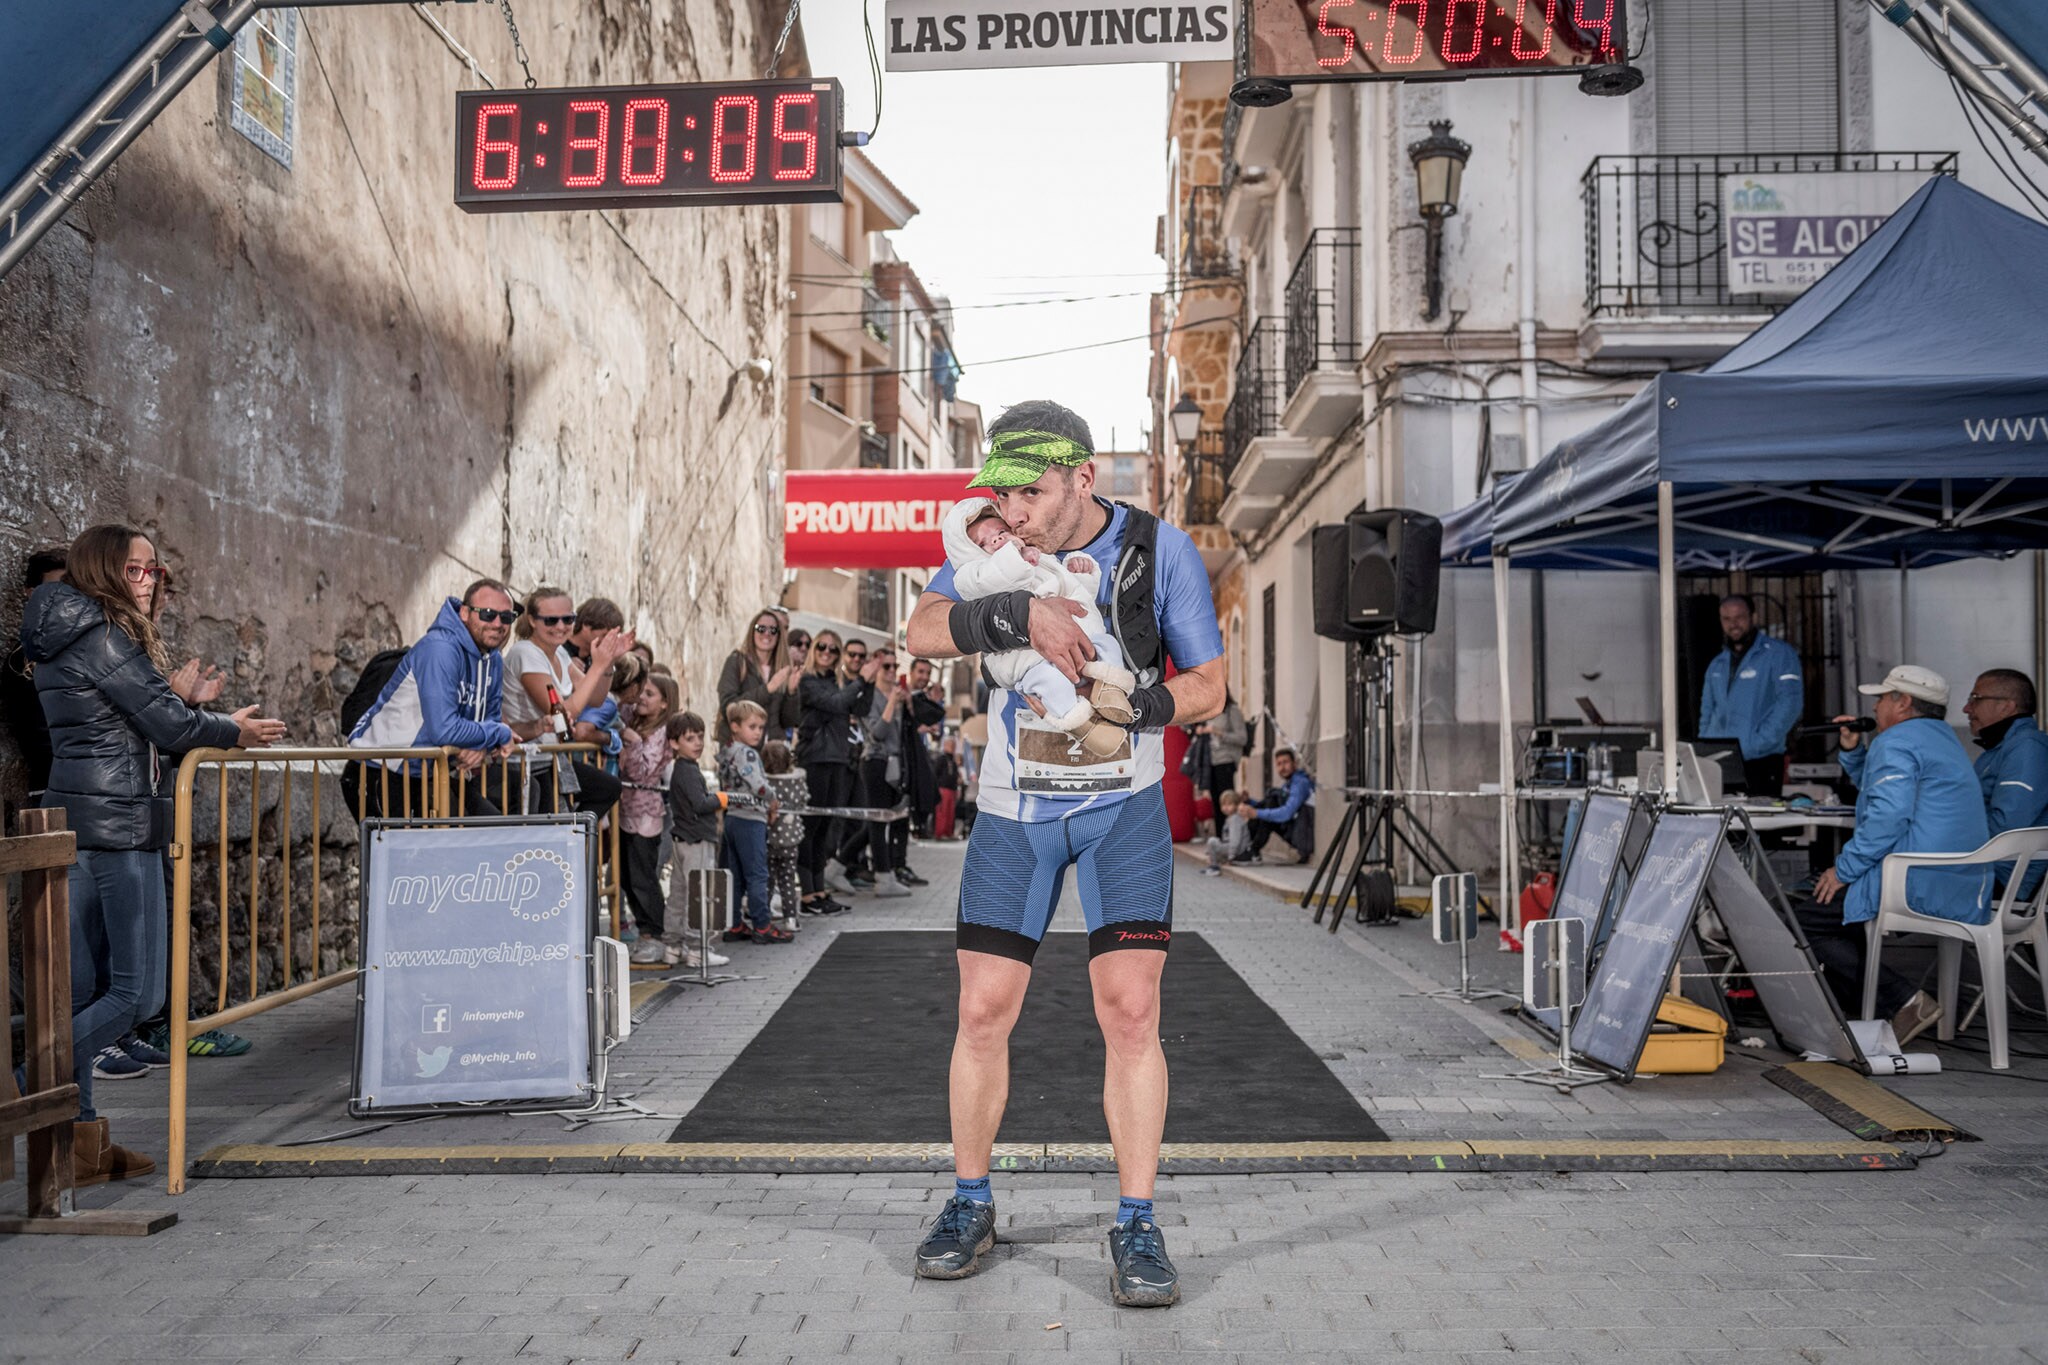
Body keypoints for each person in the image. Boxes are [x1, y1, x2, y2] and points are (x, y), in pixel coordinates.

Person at [904, 401, 1225, 1308]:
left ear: (1084, 476)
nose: (1015, 511)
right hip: (1016, 811)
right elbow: (923, 630)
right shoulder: (990, 542)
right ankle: (971, 1202)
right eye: (1001, 493)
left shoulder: (1159, 551)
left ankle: (1135, 1218)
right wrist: (1017, 612)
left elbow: (1209, 682)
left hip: (1121, 808)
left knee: (1130, 1013)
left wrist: (1145, 709)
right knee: (982, 1010)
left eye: (1033, 492)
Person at [23, 524, 286, 1184]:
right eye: (134, 571)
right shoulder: (105, 632)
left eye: (154, 572)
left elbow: (126, 721)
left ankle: (79, 1147)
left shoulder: (66, 632)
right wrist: (232, 729)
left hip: (76, 821)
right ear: (102, 572)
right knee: (139, 996)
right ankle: (21, 1088)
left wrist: (179, 697)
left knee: (78, 993)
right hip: (119, 828)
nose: (147, 582)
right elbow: (165, 727)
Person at [1800, 665, 1990, 1045]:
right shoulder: (1941, 738)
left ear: (1903, 703)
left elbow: (1887, 817)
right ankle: (1883, 1004)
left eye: (1882, 697)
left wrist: (1843, 870)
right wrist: (1853, 752)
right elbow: (1882, 791)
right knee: (1825, 914)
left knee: (1791, 916)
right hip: (1962, 882)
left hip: (1915, 880)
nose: (1876, 705)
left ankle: (1902, 1000)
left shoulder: (1898, 741)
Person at [939, 497, 1135, 754]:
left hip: (1075, 642)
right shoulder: (972, 576)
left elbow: (1070, 592)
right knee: (1049, 683)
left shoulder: (1041, 558)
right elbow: (996, 579)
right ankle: (1081, 725)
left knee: (1107, 644)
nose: (996, 540)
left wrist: (1080, 575)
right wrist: (1016, 555)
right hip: (1028, 659)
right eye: (983, 542)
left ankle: (1110, 691)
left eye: (1001, 532)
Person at [348, 579, 518, 817]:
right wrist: (499, 733)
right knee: (398, 854)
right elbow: (444, 729)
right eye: (488, 614)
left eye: (507, 617)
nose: (498, 624)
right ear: (465, 613)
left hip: (430, 773)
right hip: (382, 769)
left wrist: (481, 743)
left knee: (490, 833)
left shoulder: (493, 659)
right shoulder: (440, 649)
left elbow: (488, 719)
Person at [500, 584, 629, 818]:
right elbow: (563, 712)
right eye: (551, 620)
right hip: (522, 763)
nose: (561, 627)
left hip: (547, 758)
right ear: (532, 620)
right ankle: (572, 843)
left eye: (568, 619)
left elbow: (597, 698)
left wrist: (608, 663)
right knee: (545, 832)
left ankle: (575, 842)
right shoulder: (525, 653)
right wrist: (598, 665)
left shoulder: (559, 653)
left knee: (607, 788)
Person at [798, 631, 878, 912]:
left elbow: (861, 707)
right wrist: (860, 681)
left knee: (825, 829)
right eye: (822, 647)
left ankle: (819, 891)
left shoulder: (834, 682)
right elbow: (837, 704)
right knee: (810, 828)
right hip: (815, 760)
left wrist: (868, 683)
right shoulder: (808, 682)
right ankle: (807, 894)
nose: (827, 652)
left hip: (837, 760)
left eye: (833, 649)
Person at [1697, 594, 1803, 797]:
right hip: (1719, 762)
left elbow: (1791, 703)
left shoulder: (1779, 654)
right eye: (1726, 619)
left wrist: (1757, 743)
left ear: (1753, 617)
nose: (1733, 624)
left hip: (1761, 760)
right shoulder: (1717, 663)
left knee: (1759, 826)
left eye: (1739, 617)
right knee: (1723, 827)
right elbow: (1707, 710)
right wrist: (1706, 745)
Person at [1963, 668, 2048, 898]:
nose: (1966, 708)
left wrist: (1950, 835)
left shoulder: (2028, 748)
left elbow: (2007, 829)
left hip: (2002, 877)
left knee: (1896, 879)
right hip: (1985, 866)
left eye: (1975, 699)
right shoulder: (1998, 751)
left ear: (2007, 706)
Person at [619, 672, 680, 964]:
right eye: (640, 691)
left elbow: (643, 772)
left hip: (646, 814)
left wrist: (632, 742)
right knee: (627, 878)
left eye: (650, 694)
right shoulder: (634, 719)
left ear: (665, 703)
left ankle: (655, 934)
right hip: (624, 810)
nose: (641, 697)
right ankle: (645, 932)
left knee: (644, 878)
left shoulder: (661, 733)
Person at [718, 699, 790, 945]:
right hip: (750, 819)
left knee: (735, 875)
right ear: (735, 726)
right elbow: (757, 784)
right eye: (752, 726)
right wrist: (772, 798)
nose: (758, 732)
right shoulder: (747, 753)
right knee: (758, 874)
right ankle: (762, 924)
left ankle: (735, 923)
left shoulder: (726, 751)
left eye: (760, 727)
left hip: (732, 818)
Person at [662, 711, 729, 967]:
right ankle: (698, 949)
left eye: (700, 737)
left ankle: (672, 945)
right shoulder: (688, 770)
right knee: (700, 894)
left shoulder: (680, 768)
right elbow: (700, 804)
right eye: (690, 738)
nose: (698, 743)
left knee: (678, 894)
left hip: (681, 839)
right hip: (697, 840)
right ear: (675, 743)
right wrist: (721, 799)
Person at [3, 545, 69, 797]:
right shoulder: (21, 661)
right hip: (53, 792)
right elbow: (40, 742)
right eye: (55, 588)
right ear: (31, 594)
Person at [716, 608, 803, 747]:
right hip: (739, 750)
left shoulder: (783, 668)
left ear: (779, 635)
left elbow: (789, 721)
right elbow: (729, 707)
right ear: (752, 631)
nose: (767, 634)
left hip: (772, 754)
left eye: (773, 630)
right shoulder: (737, 661)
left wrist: (792, 693)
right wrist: (767, 689)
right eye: (761, 629)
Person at [761, 739, 810, 930]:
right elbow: (804, 801)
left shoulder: (764, 782)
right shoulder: (797, 781)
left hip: (768, 839)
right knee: (788, 880)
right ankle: (790, 918)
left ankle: (763, 918)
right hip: (790, 839)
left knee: (768, 880)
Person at [1244, 747, 1316, 864]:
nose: (1282, 767)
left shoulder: (1300, 783)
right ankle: (1248, 848)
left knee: (1270, 804)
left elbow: (1287, 813)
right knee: (1269, 801)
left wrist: (1257, 813)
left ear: (1294, 763)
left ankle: (1252, 850)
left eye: (1286, 762)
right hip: (1296, 830)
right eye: (1279, 764)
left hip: (1305, 837)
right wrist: (1249, 802)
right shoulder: (1288, 784)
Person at [1194, 691, 1248, 836]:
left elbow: (1242, 738)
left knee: (1228, 801)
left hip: (1226, 760)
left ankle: (1233, 837)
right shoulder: (1208, 713)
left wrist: (1219, 733)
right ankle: (1220, 837)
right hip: (1209, 762)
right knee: (1217, 803)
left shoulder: (1232, 711)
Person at [1204, 790, 1252, 875]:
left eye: (1229, 804)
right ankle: (1216, 860)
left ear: (1236, 805)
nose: (1226, 807)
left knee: (1212, 841)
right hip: (1234, 849)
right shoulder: (1231, 818)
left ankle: (1214, 867)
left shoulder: (1235, 820)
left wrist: (1231, 857)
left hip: (1238, 851)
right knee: (1212, 849)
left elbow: (1235, 840)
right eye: (1223, 805)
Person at [934, 736, 962, 839]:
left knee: (951, 813)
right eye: (950, 745)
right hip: (943, 789)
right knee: (943, 812)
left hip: (952, 790)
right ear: (945, 745)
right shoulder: (941, 759)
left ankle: (948, 833)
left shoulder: (953, 761)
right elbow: (935, 774)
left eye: (953, 745)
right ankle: (941, 833)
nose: (952, 747)